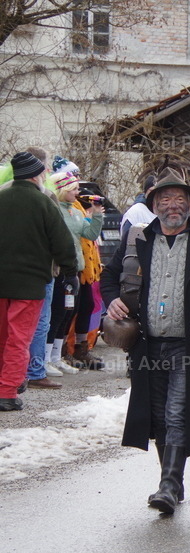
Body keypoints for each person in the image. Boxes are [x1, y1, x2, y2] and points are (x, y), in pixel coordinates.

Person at [100, 167, 190, 513]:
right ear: (154, 204)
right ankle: (173, 479)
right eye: (165, 199)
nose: (172, 205)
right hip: (147, 342)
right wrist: (111, 297)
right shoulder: (138, 238)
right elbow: (109, 275)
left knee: (177, 411)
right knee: (157, 415)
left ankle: (168, 486)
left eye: (179, 199)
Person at [0, 152, 77, 411]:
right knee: (19, 339)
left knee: (2, 337)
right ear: (37, 174)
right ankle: (8, 391)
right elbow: (62, 240)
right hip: (30, 284)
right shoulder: (43, 201)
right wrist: (70, 272)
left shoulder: (0, 197)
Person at [47, 170, 103, 375]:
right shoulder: (55, 210)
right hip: (61, 269)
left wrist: (97, 215)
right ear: (63, 189)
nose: (78, 192)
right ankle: (48, 357)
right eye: (74, 188)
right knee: (57, 313)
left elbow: (89, 234)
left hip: (76, 270)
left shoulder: (75, 212)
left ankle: (57, 356)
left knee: (68, 313)